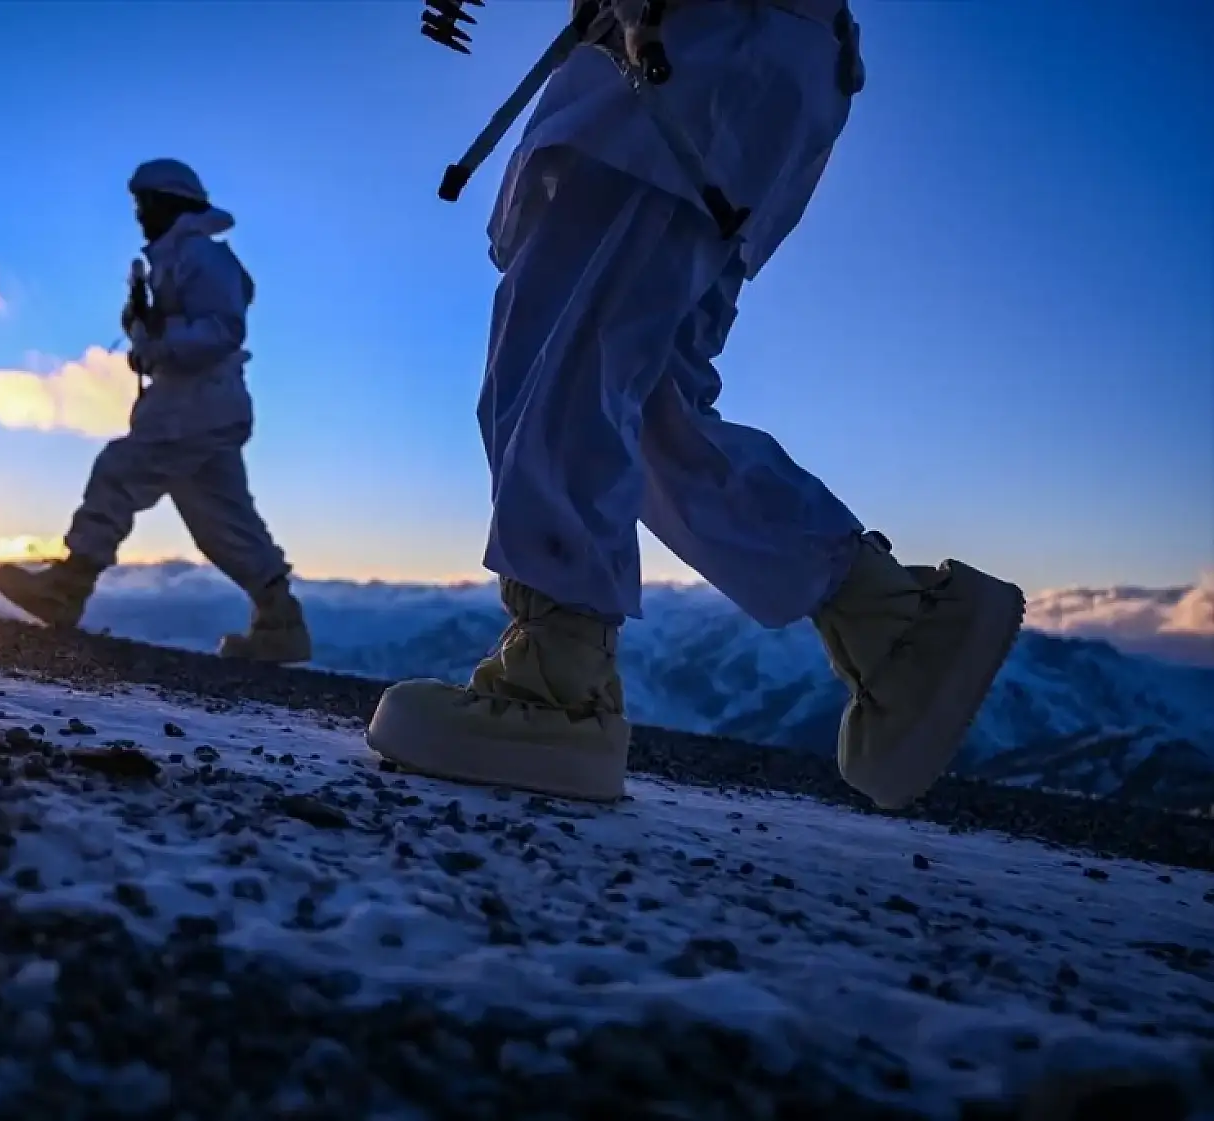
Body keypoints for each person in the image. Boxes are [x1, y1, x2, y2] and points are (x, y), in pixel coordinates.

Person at [366, 0, 1025, 810]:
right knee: (645, 401)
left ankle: (555, 691)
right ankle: (886, 618)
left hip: (693, 48)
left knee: (569, 348)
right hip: (734, 57)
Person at [0, 158, 313, 664]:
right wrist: (144, 331)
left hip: (193, 405)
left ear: (170, 203)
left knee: (119, 473)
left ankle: (68, 587)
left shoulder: (202, 257)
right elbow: (185, 333)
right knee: (222, 522)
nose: (139, 215)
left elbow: (222, 331)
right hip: (206, 404)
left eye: (145, 204)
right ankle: (281, 621)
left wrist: (157, 338)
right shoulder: (180, 258)